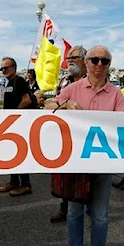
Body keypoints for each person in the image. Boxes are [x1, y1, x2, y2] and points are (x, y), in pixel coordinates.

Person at [46, 45, 124, 246]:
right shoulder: (72, 89)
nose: (99, 64)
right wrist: (65, 104)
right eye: (95, 60)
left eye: (104, 61)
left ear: (109, 65)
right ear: (86, 62)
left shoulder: (116, 93)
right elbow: (47, 106)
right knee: (73, 212)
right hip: (76, 165)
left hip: (102, 164)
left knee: (100, 214)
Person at [49, 45, 87, 223]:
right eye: (68, 58)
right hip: (66, 134)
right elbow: (54, 104)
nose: (70, 60)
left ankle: (89, 207)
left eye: (74, 57)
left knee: (87, 174)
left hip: (87, 136)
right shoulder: (64, 81)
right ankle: (65, 207)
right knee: (66, 174)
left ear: (85, 61)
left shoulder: (93, 79)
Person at [0, 57, 33, 196]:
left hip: (18, 123)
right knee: (11, 153)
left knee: (19, 153)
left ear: (14, 67)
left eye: (6, 67)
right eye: (1, 68)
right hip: (10, 123)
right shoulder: (9, 82)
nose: (3, 70)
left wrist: (15, 117)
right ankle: (13, 181)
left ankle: (25, 184)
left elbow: (26, 100)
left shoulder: (19, 81)